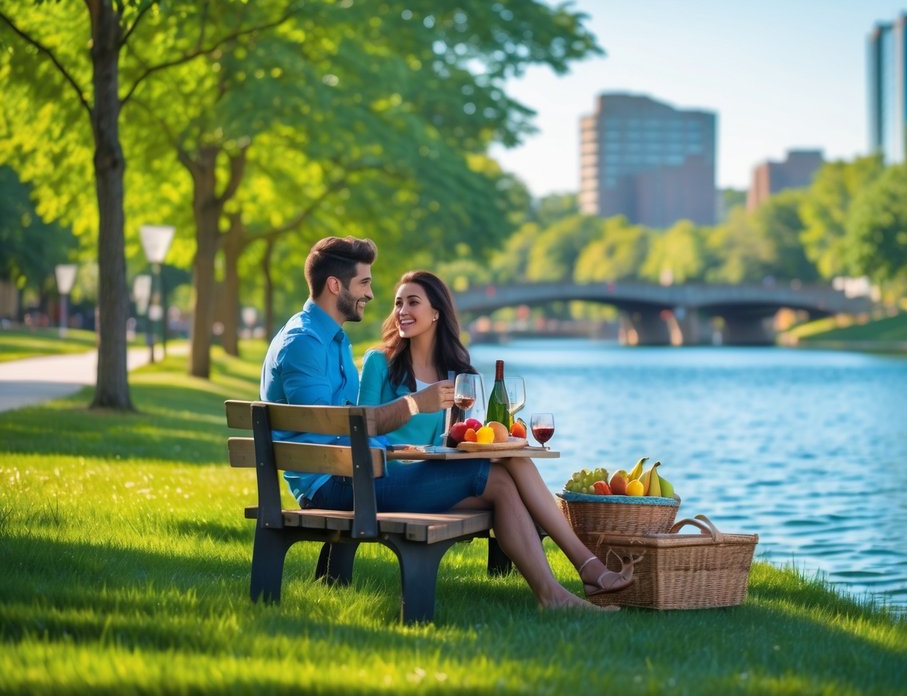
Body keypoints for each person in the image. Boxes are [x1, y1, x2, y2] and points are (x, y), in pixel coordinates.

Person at [261, 236, 635, 610]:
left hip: (358, 474)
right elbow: (333, 426)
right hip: (337, 486)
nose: (371, 295)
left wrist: (396, 446)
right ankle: (574, 578)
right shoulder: (305, 343)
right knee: (496, 476)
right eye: (364, 283)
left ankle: (561, 588)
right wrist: (413, 404)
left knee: (504, 481)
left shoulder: (333, 340)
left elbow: (346, 425)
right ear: (334, 285)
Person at [357, 270, 474, 447]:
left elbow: (458, 440)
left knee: (512, 461)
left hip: (438, 467)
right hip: (390, 469)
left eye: (413, 302)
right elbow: (360, 429)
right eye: (398, 304)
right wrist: (416, 402)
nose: (402, 311)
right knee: (495, 472)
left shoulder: (457, 373)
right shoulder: (378, 362)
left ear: (436, 312)